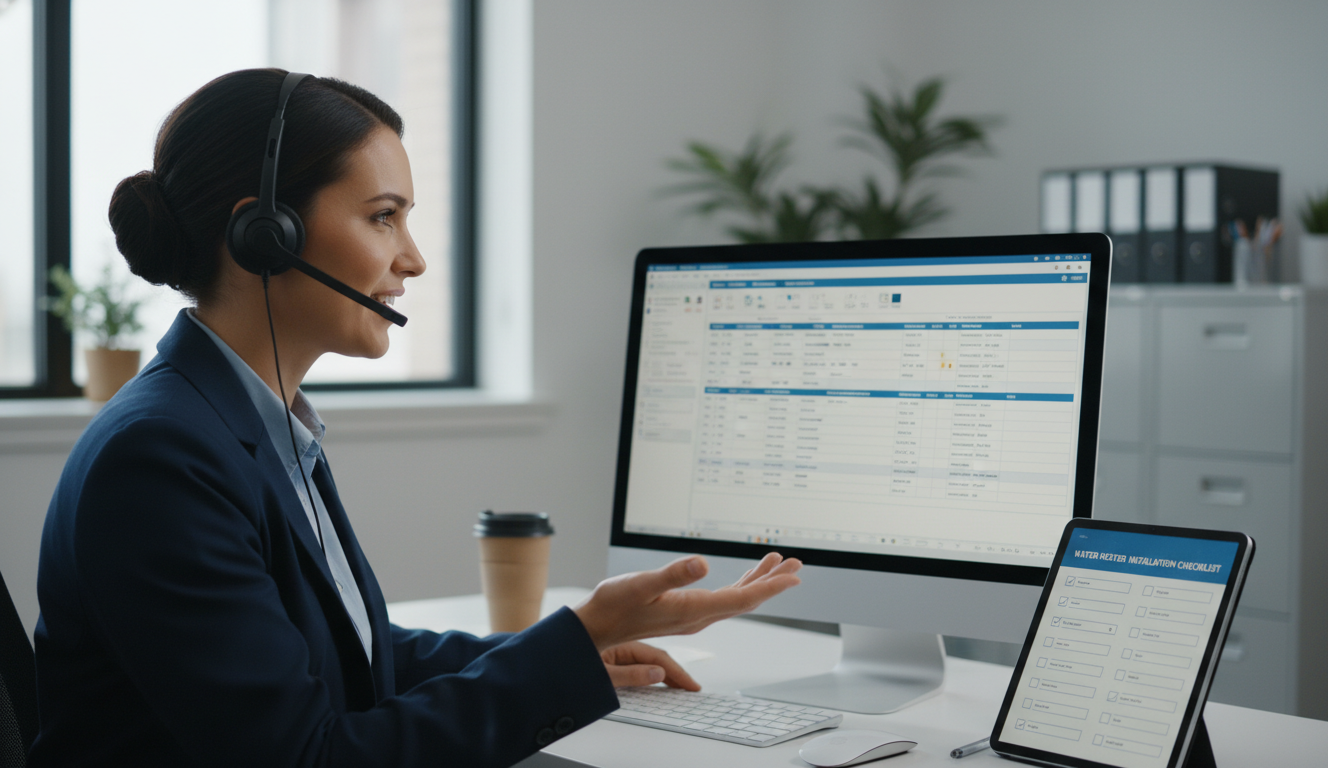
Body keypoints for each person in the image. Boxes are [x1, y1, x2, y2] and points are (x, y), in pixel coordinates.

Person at [30, 68, 802, 768]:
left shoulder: (249, 422)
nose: (414, 259)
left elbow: (353, 655)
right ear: (265, 236)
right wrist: (567, 648)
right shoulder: (163, 458)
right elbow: (310, 759)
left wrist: (579, 642)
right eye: (382, 217)